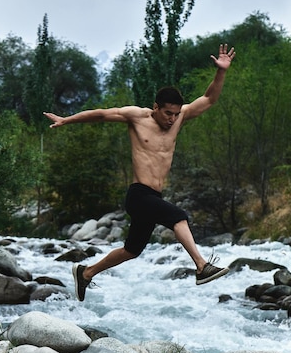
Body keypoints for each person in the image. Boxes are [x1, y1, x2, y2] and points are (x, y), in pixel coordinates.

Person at [44, 44, 236, 301]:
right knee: (179, 216)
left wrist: (221, 72)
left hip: (154, 196)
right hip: (138, 194)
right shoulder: (137, 117)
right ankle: (202, 266)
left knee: (131, 250)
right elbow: (102, 114)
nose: (172, 119)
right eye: (167, 113)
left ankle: (86, 273)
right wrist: (67, 120)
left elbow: (209, 98)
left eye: (176, 114)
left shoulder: (179, 118)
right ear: (155, 107)